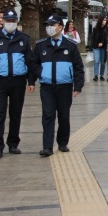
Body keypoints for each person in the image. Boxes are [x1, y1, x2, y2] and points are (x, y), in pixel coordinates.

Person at [0, 10, 37, 159]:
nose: (10, 23)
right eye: (8, 20)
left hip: (18, 81)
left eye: (13, 20)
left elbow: (30, 61)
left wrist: (31, 81)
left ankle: (13, 143)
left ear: (17, 21)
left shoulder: (23, 39)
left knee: (16, 113)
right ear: (3, 22)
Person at [32, 16, 84, 157]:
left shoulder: (70, 45)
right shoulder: (41, 45)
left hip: (65, 86)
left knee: (63, 115)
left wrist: (78, 85)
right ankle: (47, 146)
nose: (49, 27)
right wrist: (38, 75)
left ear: (60, 27)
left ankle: (62, 142)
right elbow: (33, 63)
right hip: (47, 87)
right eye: (47, 25)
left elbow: (78, 66)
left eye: (52, 25)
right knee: (48, 116)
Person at [90, 16, 107, 81]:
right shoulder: (95, 29)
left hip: (103, 47)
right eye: (103, 20)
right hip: (96, 47)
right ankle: (96, 75)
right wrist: (91, 47)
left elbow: (106, 38)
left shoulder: (106, 29)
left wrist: (102, 43)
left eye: (105, 20)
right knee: (96, 61)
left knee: (102, 62)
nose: (104, 21)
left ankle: (101, 75)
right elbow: (92, 38)